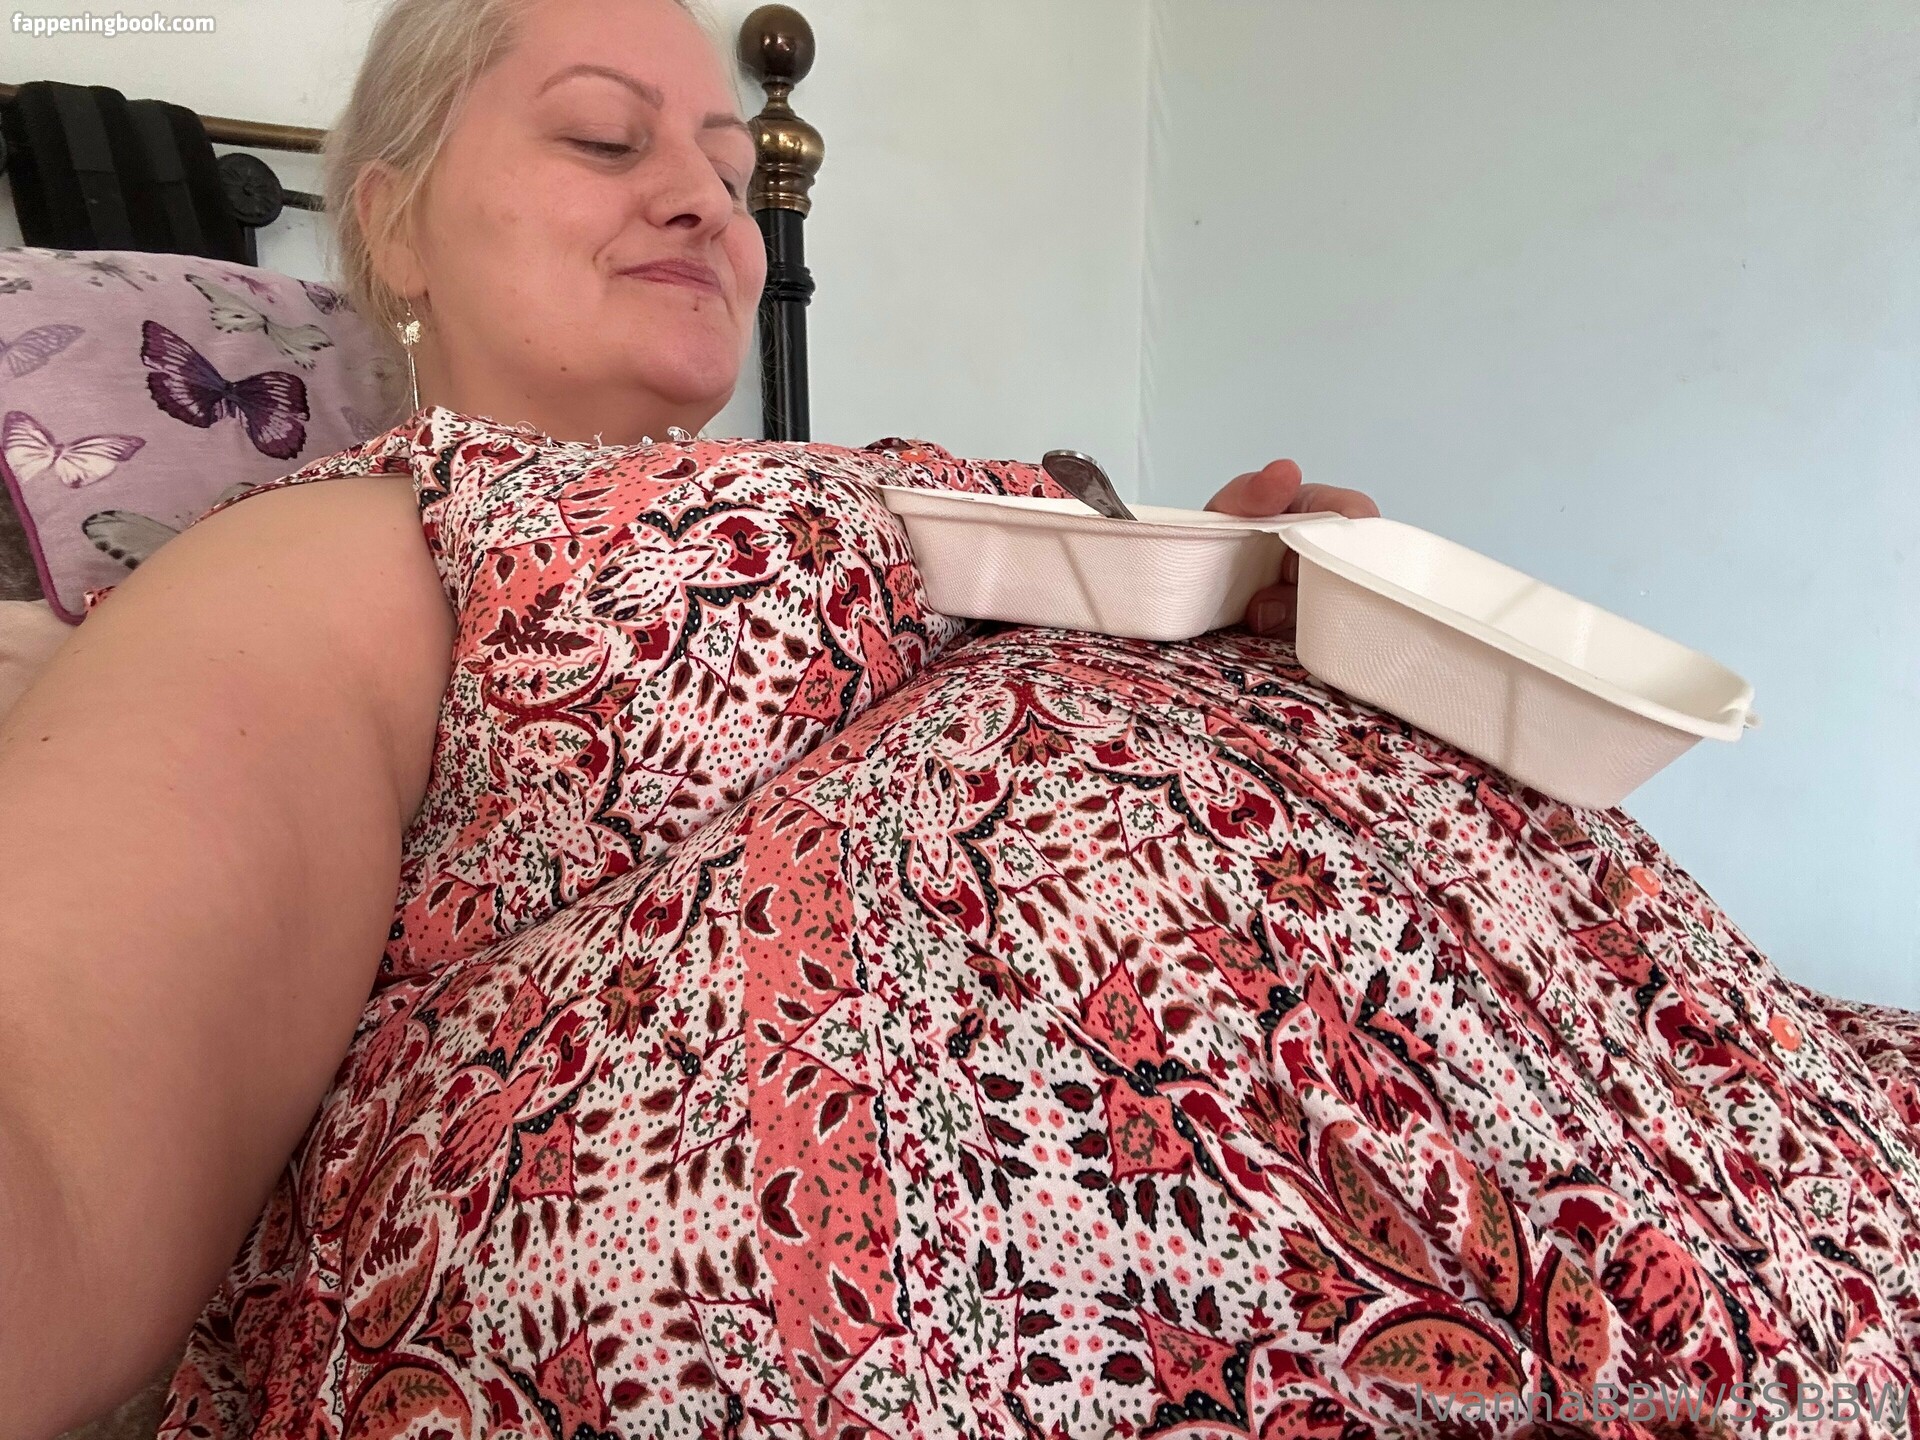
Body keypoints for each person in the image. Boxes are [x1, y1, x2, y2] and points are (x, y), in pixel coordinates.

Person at [4, 0, 1918, 1436]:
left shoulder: (894, 491)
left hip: (1638, 1129)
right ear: (394, 223)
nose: (702, 195)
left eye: (721, 162)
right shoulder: (348, 545)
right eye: (602, 138)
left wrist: (1230, 620)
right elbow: (63, 1168)